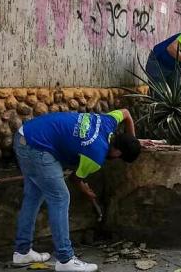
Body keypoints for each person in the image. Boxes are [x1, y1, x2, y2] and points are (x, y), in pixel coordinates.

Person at [12, 109, 154, 271]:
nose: (115, 159)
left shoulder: (108, 121)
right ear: (118, 153)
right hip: (36, 146)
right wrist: (86, 190)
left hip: (24, 135)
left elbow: (127, 113)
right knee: (60, 197)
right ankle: (65, 260)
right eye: (119, 158)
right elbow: (75, 179)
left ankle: (22, 252)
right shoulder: (97, 155)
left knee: (34, 196)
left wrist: (132, 140)